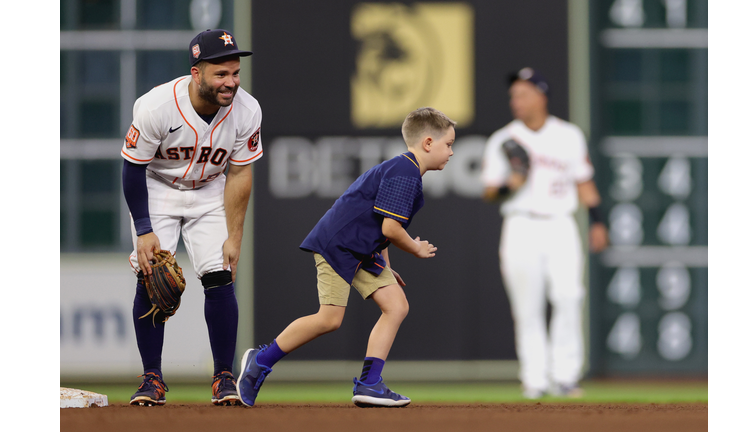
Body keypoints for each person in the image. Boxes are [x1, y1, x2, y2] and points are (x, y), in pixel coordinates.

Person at [236, 107, 456, 408]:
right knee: (329, 319)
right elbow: (391, 228)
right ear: (428, 143)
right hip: (338, 245)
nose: (451, 152)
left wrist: (387, 270)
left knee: (396, 305)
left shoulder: (405, 170)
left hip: (363, 249)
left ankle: (369, 384)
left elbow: (382, 227)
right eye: (449, 144)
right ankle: (260, 362)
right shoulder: (405, 171)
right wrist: (416, 248)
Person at [121, 29, 263, 406]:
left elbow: (240, 174)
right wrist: (144, 230)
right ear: (196, 73)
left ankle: (224, 377)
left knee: (220, 276)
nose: (231, 82)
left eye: (235, 72)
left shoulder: (247, 110)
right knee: (151, 277)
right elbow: (132, 169)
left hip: (210, 191)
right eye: (221, 74)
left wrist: (235, 236)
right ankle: (152, 377)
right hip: (159, 188)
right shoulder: (156, 106)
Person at [480, 67, 608, 399]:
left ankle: (565, 375)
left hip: (560, 224)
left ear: (541, 95)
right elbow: (490, 191)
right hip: (520, 224)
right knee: (527, 306)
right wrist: (512, 183)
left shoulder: (568, 135)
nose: (516, 101)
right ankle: (534, 379)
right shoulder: (503, 139)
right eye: (513, 96)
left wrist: (597, 221)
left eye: (522, 94)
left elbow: (585, 183)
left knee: (569, 296)